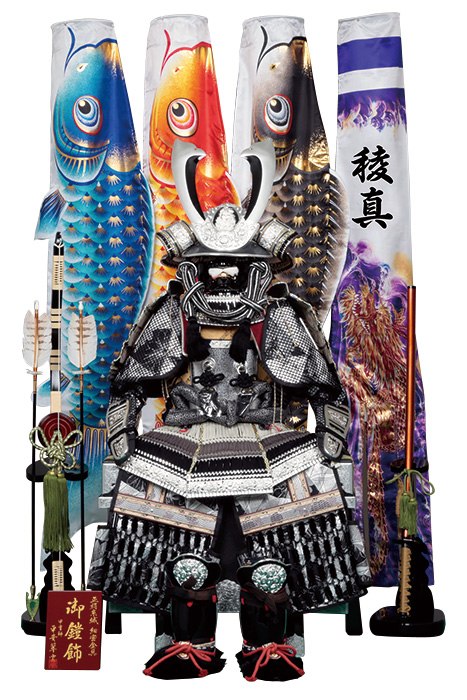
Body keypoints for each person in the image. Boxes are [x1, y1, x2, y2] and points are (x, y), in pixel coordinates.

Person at [89, 139, 369, 681]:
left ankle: (273, 636)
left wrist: (327, 448)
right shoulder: (174, 310)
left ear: (258, 265)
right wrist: (124, 446)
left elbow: (325, 389)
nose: (223, 276)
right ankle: (182, 634)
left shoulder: (280, 312)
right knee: (162, 497)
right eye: (212, 266)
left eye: (234, 266)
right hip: (183, 435)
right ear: (193, 265)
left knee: (292, 496)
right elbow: (130, 385)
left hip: (267, 433)